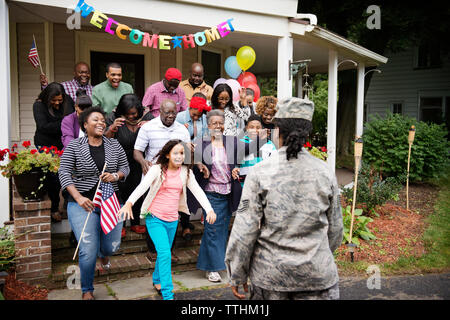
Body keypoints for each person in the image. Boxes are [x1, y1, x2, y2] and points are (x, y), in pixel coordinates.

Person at [225, 97, 343, 300]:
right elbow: (336, 229)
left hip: (271, 279)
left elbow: (244, 229)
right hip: (318, 277)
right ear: (308, 133)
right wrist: (316, 256)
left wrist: (237, 273)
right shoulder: (325, 172)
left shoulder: (259, 172)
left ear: (277, 130)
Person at [118, 139, 216, 300]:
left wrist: (209, 209)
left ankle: (157, 279)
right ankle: (168, 294)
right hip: (154, 217)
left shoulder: (186, 172)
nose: (179, 156)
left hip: (172, 220)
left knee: (163, 253)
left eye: (182, 153)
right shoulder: (157, 170)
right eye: (176, 153)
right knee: (165, 253)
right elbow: (142, 187)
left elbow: (198, 192)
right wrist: (129, 203)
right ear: (168, 155)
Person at [58, 106, 130, 300]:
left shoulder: (114, 145)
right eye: (95, 120)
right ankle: (87, 290)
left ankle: (104, 255)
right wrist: (79, 198)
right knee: (88, 247)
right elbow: (63, 172)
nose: (101, 123)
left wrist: (115, 175)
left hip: (110, 202)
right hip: (83, 204)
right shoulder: (74, 146)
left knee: (111, 247)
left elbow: (125, 167)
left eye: (102, 120)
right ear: (84, 125)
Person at [191, 109, 259, 282]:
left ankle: (213, 263)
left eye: (220, 123)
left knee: (220, 230)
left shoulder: (232, 142)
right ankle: (212, 268)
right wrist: (200, 164)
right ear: (208, 125)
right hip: (211, 192)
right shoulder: (201, 143)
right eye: (214, 123)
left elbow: (249, 149)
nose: (218, 126)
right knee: (213, 229)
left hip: (228, 192)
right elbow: (191, 157)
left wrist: (235, 168)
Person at [134, 99, 191, 262]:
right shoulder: (148, 127)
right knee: (152, 213)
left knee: (172, 214)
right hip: (154, 178)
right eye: (167, 113)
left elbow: (186, 154)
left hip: (174, 179)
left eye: (174, 113)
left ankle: (168, 250)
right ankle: (152, 249)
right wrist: (143, 161)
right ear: (160, 111)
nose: (171, 116)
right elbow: (137, 151)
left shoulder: (182, 130)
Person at [105, 94, 154, 238]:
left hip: (139, 158)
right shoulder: (113, 116)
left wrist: (150, 125)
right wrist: (112, 128)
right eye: (127, 114)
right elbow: (104, 139)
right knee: (119, 191)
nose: (131, 117)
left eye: (134, 114)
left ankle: (135, 222)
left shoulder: (147, 116)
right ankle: (119, 224)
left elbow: (159, 129)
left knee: (138, 189)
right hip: (119, 158)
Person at [33, 82, 74, 222]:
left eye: (60, 100)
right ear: (47, 97)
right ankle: (54, 208)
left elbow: (73, 118)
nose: (57, 103)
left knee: (68, 175)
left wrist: (64, 124)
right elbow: (43, 127)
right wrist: (64, 122)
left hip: (63, 143)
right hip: (45, 145)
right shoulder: (39, 105)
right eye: (54, 100)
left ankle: (68, 206)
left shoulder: (68, 100)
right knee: (53, 178)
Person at [238, 114, 277, 187]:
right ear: (246, 128)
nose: (255, 130)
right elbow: (241, 153)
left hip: (263, 185)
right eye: (251, 127)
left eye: (258, 127)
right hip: (244, 186)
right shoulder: (240, 142)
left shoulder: (269, 144)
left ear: (262, 128)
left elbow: (275, 163)